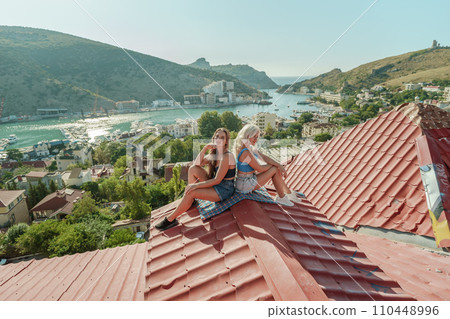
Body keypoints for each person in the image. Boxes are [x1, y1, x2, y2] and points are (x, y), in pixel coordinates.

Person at [155, 128, 236, 231]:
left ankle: (170, 219)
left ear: (226, 141)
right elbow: (196, 164)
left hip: (224, 190)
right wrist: (205, 148)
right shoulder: (214, 154)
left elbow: (217, 180)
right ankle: (191, 200)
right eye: (217, 136)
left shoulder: (227, 156)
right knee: (193, 169)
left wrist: (195, 186)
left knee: (191, 192)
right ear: (213, 139)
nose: (219, 139)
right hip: (216, 186)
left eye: (222, 137)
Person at [234, 124, 301, 206]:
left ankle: (288, 193)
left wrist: (279, 165)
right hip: (244, 184)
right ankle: (282, 197)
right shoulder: (246, 152)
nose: (256, 139)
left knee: (275, 168)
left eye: (257, 136)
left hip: (247, 179)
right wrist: (275, 166)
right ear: (247, 135)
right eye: (254, 136)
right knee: (274, 170)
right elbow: (260, 169)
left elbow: (265, 158)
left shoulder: (249, 148)